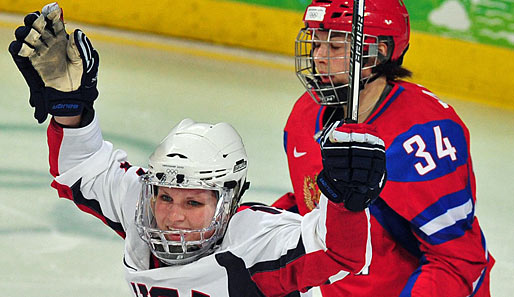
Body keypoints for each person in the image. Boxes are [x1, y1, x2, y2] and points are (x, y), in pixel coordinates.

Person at [8, 3, 389, 296]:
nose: (173, 218)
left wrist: (346, 203)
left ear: (228, 204)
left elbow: (338, 254)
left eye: (193, 203)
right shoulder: (145, 211)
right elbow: (85, 169)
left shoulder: (253, 242)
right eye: (166, 197)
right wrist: (71, 112)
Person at [272, 0, 495, 296]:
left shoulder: (424, 134)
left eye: (336, 47)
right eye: (315, 43)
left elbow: (457, 258)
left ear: (381, 52)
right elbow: (311, 204)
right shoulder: (305, 114)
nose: (319, 58)